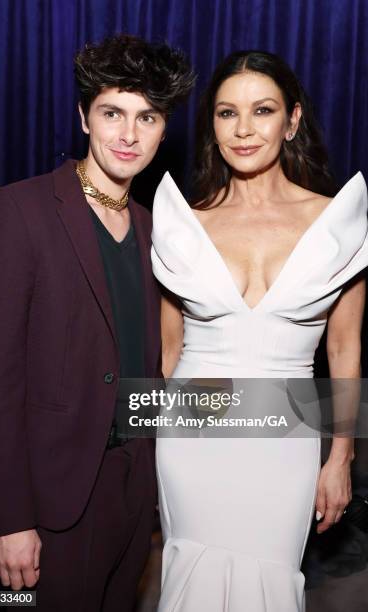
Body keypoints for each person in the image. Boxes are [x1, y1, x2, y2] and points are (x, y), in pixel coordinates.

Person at [0, 34, 194, 611]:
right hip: (52, 500)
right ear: (83, 118)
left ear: (163, 131)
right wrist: (9, 517)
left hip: (134, 492)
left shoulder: (158, 231)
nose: (128, 134)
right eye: (112, 113)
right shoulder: (19, 209)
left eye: (147, 117)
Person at [151, 50, 368, 611]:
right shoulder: (183, 223)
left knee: (268, 583)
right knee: (192, 577)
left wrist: (340, 456)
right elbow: (168, 350)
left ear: (292, 120)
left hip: (285, 440)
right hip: (192, 436)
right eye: (227, 113)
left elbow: (344, 348)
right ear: (212, 126)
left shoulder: (336, 222)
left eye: (263, 110)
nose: (244, 129)